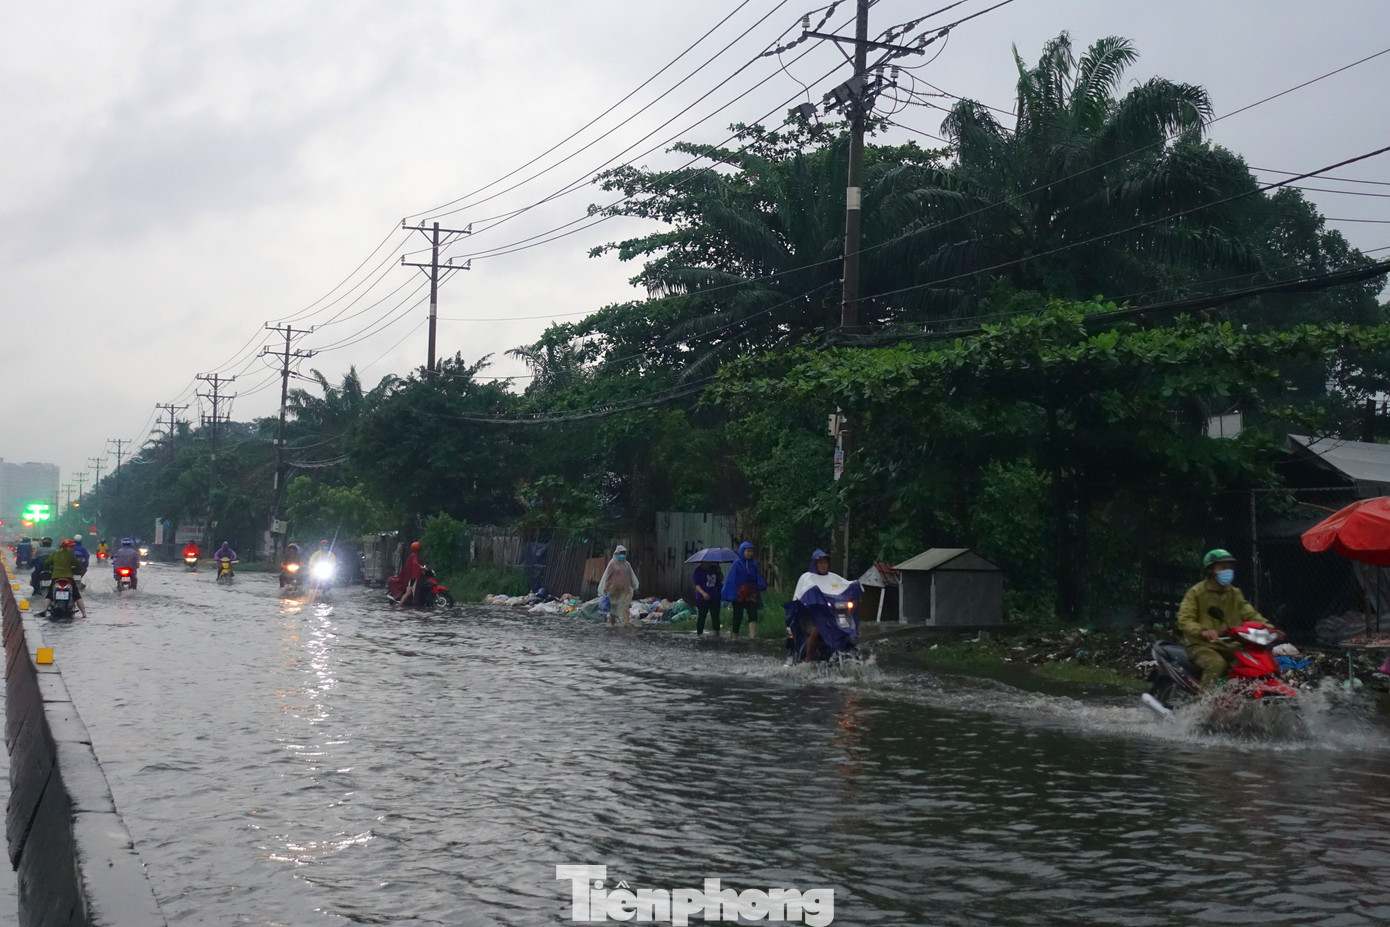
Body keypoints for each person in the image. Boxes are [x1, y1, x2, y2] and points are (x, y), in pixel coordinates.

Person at [1177, 549, 1280, 690]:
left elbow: (1250, 614)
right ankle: (1204, 700)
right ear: (1211, 570)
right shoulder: (1196, 592)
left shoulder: (1234, 593)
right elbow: (1185, 619)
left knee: (1251, 663)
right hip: (1201, 645)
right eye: (1223, 567)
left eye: (1230, 567)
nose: (1228, 571)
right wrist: (1203, 631)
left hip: (1229, 643)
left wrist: (1269, 628)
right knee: (1216, 664)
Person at [722, 541, 768, 639]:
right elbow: (731, 579)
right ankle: (734, 637)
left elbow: (757, 577)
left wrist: (760, 585)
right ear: (742, 552)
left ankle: (752, 635)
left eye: (751, 551)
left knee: (753, 613)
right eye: (748, 551)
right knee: (738, 615)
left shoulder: (754, 564)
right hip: (739, 592)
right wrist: (730, 593)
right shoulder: (737, 564)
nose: (750, 553)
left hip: (751, 592)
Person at [44, 539, 88, 618]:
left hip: (56, 578)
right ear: (65, 547)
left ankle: (44, 610)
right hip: (68, 578)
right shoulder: (70, 555)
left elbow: (46, 562)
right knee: (76, 595)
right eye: (70, 547)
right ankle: (84, 614)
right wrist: (75, 569)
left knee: (49, 595)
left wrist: (52, 566)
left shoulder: (55, 554)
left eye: (72, 546)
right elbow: (78, 566)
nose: (72, 548)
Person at [598, 545, 640, 627]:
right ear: (617, 553)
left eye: (624, 553)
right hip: (614, 590)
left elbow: (631, 576)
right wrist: (605, 589)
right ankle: (612, 624)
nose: (622, 555)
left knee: (625, 607)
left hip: (626, 590)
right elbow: (608, 577)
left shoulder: (627, 564)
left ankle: (625, 624)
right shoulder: (612, 564)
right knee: (613, 609)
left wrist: (634, 586)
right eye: (621, 553)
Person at [691, 560, 723, 636]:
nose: (707, 564)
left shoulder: (715, 569)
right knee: (702, 616)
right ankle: (699, 633)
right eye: (705, 562)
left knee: (715, 616)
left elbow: (720, 580)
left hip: (715, 596)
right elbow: (697, 585)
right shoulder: (698, 571)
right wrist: (703, 593)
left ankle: (716, 633)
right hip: (702, 598)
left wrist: (719, 572)